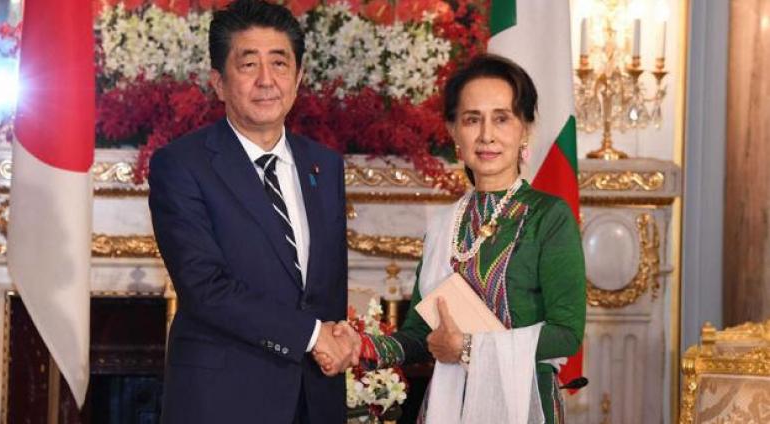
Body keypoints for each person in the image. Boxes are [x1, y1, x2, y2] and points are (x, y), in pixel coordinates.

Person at [322, 54, 586, 423]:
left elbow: (567, 334)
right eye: (472, 119)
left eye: (502, 118)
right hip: (452, 406)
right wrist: (363, 345)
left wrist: (466, 347)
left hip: (524, 405)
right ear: (453, 131)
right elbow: (419, 335)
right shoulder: (446, 223)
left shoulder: (548, 216)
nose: (487, 135)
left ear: (525, 129)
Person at [148, 1, 359, 422]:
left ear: (298, 78)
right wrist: (314, 335)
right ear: (218, 82)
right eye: (248, 65)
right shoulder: (182, 164)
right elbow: (205, 287)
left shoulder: (325, 164)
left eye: (280, 64)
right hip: (222, 400)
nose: (267, 80)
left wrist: (339, 337)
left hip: (313, 398)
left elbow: (327, 285)